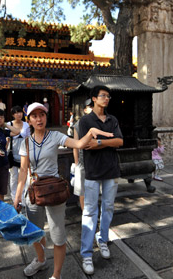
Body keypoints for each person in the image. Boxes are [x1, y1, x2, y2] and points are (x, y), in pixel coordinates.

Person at [13, 102, 113, 279]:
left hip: (54, 191)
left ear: (46, 117)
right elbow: (22, 171)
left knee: (58, 236)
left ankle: (56, 275)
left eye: (42, 115)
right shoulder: (25, 143)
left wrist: (90, 133)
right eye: (34, 116)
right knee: (34, 232)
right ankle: (41, 260)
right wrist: (17, 196)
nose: (39, 119)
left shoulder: (55, 136)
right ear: (29, 121)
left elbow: (79, 144)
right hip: (34, 192)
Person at [78, 85, 123, 276]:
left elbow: (119, 142)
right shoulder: (86, 121)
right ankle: (86, 253)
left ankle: (103, 240)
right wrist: (105, 142)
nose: (106, 99)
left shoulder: (112, 119)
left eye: (108, 96)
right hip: (93, 172)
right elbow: (85, 145)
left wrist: (99, 142)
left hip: (111, 171)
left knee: (109, 207)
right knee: (89, 212)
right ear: (94, 99)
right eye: (103, 96)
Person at [72, 99, 93, 210]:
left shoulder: (99, 122)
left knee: (94, 190)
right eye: (90, 106)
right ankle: (85, 213)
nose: (92, 108)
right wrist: (76, 163)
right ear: (85, 109)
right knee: (82, 191)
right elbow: (75, 145)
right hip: (82, 161)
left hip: (95, 162)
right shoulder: (78, 124)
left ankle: (93, 212)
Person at [8, 105, 30, 204]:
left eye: (20, 112)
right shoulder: (9, 124)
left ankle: (24, 198)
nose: (18, 114)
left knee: (24, 174)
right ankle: (14, 198)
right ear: (13, 114)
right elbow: (7, 139)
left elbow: (29, 139)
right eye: (16, 112)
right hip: (12, 151)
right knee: (14, 176)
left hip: (24, 151)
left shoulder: (26, 125)